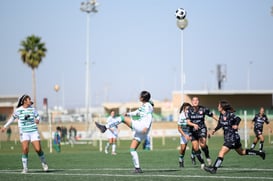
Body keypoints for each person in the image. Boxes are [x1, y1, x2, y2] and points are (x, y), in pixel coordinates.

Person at [95, 90, 153, 173]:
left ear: (142, 97)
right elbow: (137, 112)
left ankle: (105, 127)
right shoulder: (144, 105)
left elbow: (149, 115)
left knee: (122, 119)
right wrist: (128, 114)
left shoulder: (148, 106)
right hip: (142, 130)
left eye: (140, 96)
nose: (139, 97)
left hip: (142, 126)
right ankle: (137, 168)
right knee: (132, 149)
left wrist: (146, 127)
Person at [204, 100, 266, 174]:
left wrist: (236, 124)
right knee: (242, 152)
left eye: (218, 105)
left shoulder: (229, 114)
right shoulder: (221, 115)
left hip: (232, 137)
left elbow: (238, 118)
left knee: (221, 152)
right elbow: (220, 124)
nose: (217, 106)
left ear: (222, 107)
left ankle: (214, 169)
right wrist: (214, 130)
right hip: (231, 138)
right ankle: (260, 153)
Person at [1, 94, 48, 173]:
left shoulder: (32, 109)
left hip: (33, 131)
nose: (30, 100)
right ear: (24, 101)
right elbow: (12, 119)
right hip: (24, 132)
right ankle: (25, 168)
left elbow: (38, 116)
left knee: (38, 149)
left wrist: (37, 119)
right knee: (25, 149)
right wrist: (5, 127)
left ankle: (44, 163)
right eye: (29, 99)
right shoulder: (18, 110)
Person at [186, 96, 218, 169]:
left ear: (198, 101)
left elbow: (212, 115)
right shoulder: (188, 110)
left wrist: (218, 120)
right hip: (192, 131)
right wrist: (194, 125)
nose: (195, 101)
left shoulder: (203, 109)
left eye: (197, 100)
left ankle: (207, 156)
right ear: (192, 102)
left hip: (201, 129)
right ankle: (202, 162)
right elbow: (188, 122)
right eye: (194, 100)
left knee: (203, 145)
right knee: (195, 148)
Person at [177, 102, 191, 168]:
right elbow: (179, 128)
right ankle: (181, 160)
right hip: (184, 133)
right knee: (183, 149)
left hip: (191, 132)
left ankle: (193, 155)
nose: (188, 110)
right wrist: (185, 135)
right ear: (183, 109)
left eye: (189, 109)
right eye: (186, 109)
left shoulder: (192, 115)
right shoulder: (181, 116)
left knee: (196, 146)